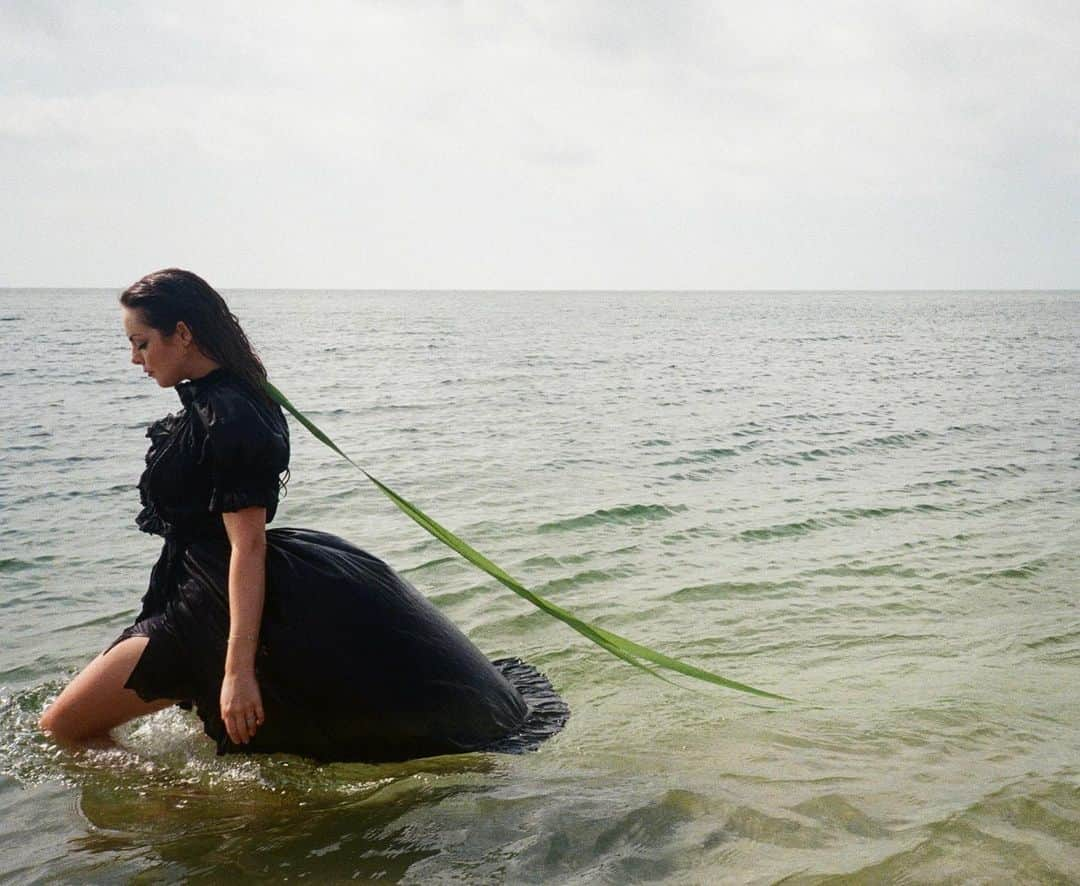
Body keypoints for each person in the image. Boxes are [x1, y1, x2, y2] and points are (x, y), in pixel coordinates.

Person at [38, 268, 569, 762]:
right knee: (82, 720)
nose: (135, 359)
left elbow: (247, 544)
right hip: (197, 586)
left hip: (209, 602)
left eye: (141, 343)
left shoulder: (230, 411)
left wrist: (237, 669)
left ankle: (191, 811)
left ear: (181, 333)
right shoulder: (220, 396)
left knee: (63, 729)